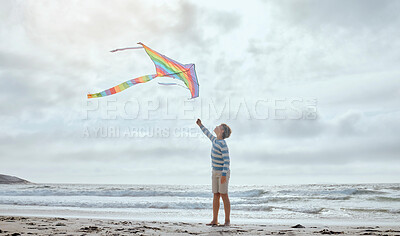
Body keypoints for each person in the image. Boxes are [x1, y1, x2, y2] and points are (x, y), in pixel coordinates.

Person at [196, 118, 232, 226]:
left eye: (219, 126)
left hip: (222, 173)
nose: (217, 126)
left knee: (224, 195)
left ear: (222, 131)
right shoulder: (214, 140)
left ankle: (227, 221)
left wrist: (224, 174)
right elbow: (207, 133)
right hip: (214, 172)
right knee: (216, 195)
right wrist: (200, 125)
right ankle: (215, 220)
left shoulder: (223, 144)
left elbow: (227, 161)